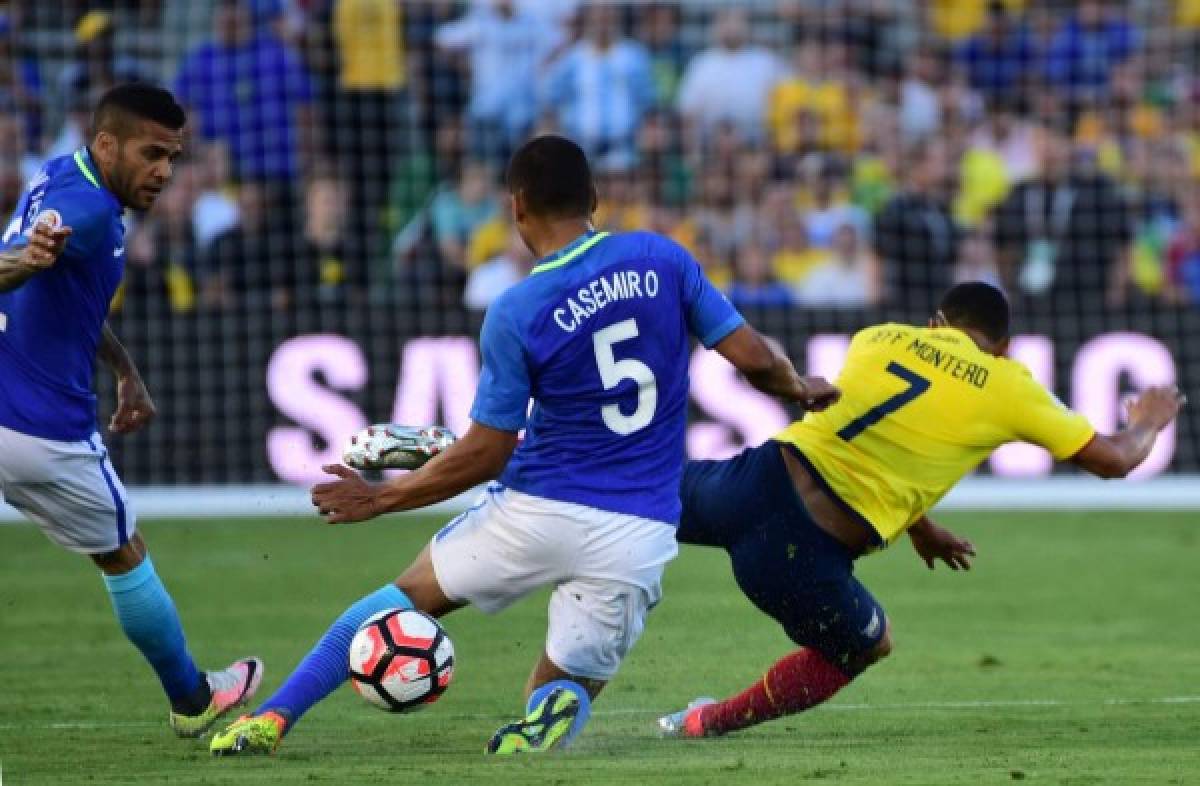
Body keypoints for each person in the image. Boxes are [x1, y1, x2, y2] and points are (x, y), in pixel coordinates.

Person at [210, 134, 839, 756]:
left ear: (515, 209)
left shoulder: (517, 309)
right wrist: (797, 386)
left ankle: (271, 718)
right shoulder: (662, 259)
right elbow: (755, 359)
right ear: (594, 197)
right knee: (561, 686)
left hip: (537, 510)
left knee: (391, 604)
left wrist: (380, 501)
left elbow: (486, 452)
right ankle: (547, 712)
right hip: (638, 530)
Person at [657, 282, 1184, 739]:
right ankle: (707, 721)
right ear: (1002, 349)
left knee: (626, 497)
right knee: (867, 646)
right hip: (799, 551)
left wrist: (919, 524)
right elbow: (1114, 460)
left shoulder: (878, 337)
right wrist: (1148, 422)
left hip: (750, 481)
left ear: (936, 323)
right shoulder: (1007, 386)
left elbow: (879, 436)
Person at [0, 83, 262, 738]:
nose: (164, 172)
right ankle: (194, 698)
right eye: (152, 154)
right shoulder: (82, 211)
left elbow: (71, 300)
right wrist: (26, 260)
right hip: (40, 431)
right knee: (123, 552)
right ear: (108, 143)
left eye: (172, 157)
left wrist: (125, 371)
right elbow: (34, 256)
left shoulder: (63, 173)